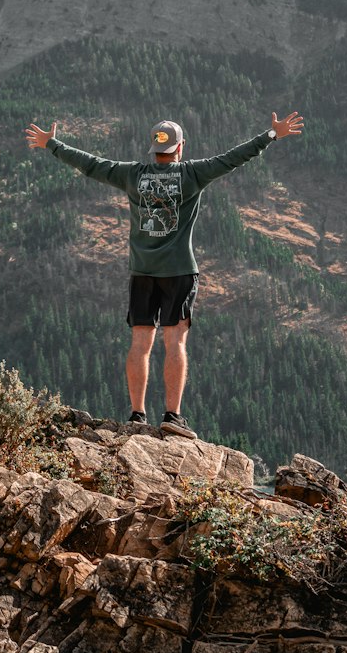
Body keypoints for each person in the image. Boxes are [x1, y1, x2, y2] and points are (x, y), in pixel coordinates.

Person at [24, 111, 304, 439]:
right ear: (180, 147)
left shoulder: (131, 175)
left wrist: (51, 144)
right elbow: (233, 158)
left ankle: (136, 415)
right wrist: (270, 135)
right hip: (180, 272)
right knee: (175, 341)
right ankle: (172, 415)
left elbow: (90, 164)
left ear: (153, 148)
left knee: (140, 343)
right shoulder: (193, 174)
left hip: (142, 272)